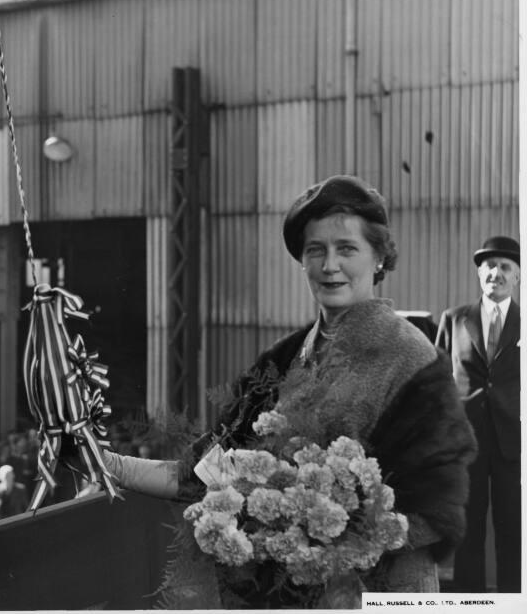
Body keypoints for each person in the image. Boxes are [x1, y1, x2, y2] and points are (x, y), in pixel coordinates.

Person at [101, 175, 477, 597]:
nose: (329, 265)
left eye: (346, 249)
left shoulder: (411, 357)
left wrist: (325, 528)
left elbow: (436, 507)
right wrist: (105, 463)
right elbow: (199, 474)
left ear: (379, 258)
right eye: (315, 250)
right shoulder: (281, 360)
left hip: (379, 593)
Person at [435, 236, 521, 593]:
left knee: (513, 528)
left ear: (517, 276)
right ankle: (470, 602)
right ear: (479, 273)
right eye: (489, 266)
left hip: (514, 442)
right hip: (466, 440)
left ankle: (515, 602)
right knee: (468, 528)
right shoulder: (455, 319)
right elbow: (438, 382)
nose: (496, 273)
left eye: (505, 267)